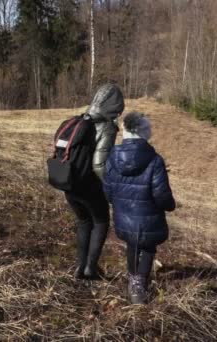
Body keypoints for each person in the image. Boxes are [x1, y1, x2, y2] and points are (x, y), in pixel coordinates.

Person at [103, 112, 176, 304]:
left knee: (132, 243)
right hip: (149, 217)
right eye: (149, 129)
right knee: (148, 245)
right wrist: (170, 205)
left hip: (123, 216)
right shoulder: (155, 160)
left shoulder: (112, 157)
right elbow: (161, 195)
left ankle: (133, 279)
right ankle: (138, 284)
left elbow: (108, 190)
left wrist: (119, 202)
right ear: (143, 132)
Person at [66, 84, 124, 280]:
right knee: (100, 221)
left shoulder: (80, 119)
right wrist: (111, 188)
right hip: (89, 185)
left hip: (69, 182)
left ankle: (79, 267)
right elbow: (99, 164)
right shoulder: (107, 126)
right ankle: (91, 268)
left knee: (83, 221)